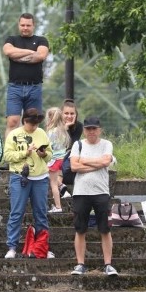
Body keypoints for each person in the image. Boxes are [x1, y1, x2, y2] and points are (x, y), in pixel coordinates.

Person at [69, 116, 118, 277]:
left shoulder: (106, 144)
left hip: (101, 191)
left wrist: (85, 161)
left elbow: (105, 162)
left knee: (105, 228)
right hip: (81, 192)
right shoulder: (78, 144)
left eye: (94, 129)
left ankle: (108, 264)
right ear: (84, 130)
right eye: (88, 129)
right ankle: (80, 263)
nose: (91, 132)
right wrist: (95, 164)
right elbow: (74, 166)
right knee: (80, 229)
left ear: (99, 129)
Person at [2, 108, 52, 259]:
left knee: (41, 213)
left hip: (40, 177)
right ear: (25, 121)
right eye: (32, 124)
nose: (34, 127)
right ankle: (12, 246)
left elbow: (50, 155)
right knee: (16, 212)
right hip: (20, 176)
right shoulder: (14, 134)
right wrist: (25, 153)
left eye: (37, 124)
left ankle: (42, 247)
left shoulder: (42, 133)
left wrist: (43, 154)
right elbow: (7, 156)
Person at [2, 13, 49, 136]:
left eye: (28, 25)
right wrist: (30, 52)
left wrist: (17, 55)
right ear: (18, 25)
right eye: (22, 25)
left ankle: (31, 151)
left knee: (32, 122)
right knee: (13, 121)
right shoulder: (12, 39)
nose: (25, 28)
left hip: (34, 87)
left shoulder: (41, 40)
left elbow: (41, 55)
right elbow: (7, 51)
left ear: (33, 26)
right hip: (15, 87)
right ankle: (9, 152)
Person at [44, 107, 70, 213]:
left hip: (54, 159)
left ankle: (58, 206)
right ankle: (63, 187)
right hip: (62, 159)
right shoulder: (63, 130)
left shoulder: (51, 132)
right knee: (55, 180)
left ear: (50, 118)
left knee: (53, 183)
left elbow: (48, 146)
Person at [59, 99, 83, 199]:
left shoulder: (79, 126)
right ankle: (61, 187)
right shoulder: (56, 126)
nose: (69, 116)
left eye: (72, 113)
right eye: (66, 113)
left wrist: (68, 128)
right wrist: (64, 128)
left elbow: (71, 146)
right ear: (61, 114)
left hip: (69, 155)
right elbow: (58, 144)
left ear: (76, 114)